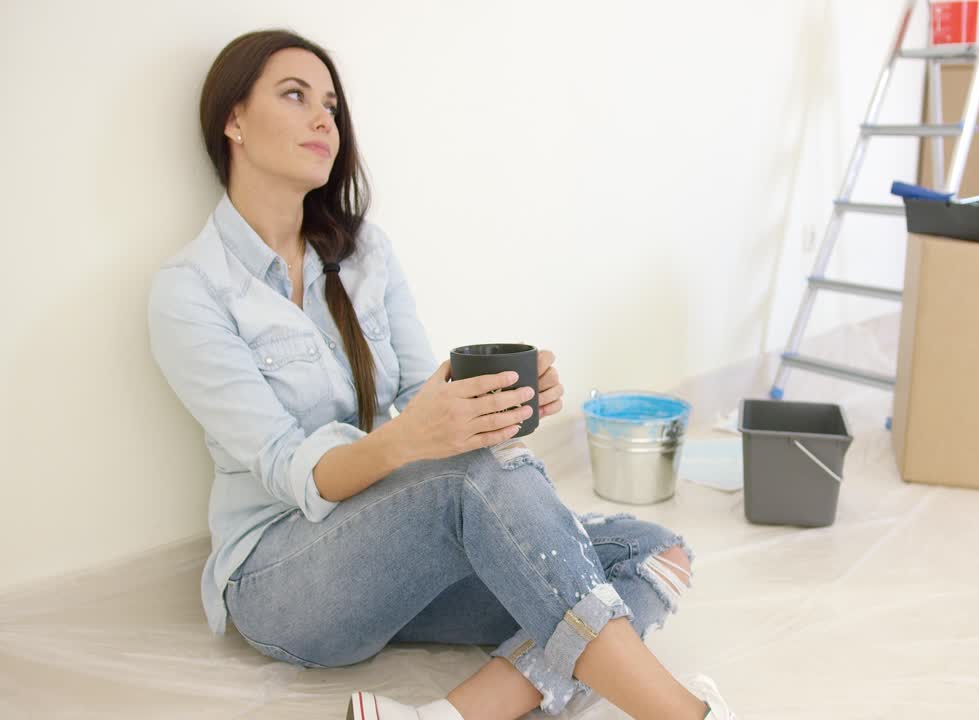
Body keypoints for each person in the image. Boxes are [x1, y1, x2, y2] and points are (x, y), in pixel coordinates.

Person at [146, 29, 738, 720]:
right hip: (283, 582)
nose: (322, 120)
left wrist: (497, 406)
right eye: (295, 95)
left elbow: (416, 398)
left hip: (400, 562)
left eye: (332, 105)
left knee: (651, 550)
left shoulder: (365, 252)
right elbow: (291, 470)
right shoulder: (190, 291)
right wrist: (416, 439)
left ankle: (456, 716)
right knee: (475, 482)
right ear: (233, 120)